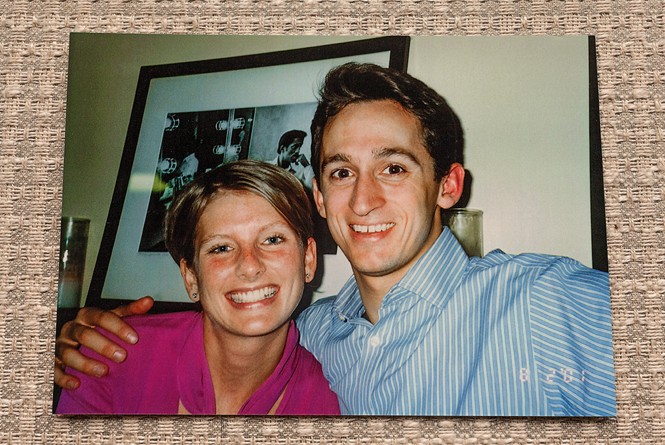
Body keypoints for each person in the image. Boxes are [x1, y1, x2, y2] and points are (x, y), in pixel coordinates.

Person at [55, 63, 615, 417]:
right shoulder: (307, 334)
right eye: (341, 173)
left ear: (447, 185)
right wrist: (79, 334)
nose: (363, 200)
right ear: (320, 201)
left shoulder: (549, 304)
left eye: (393, 168)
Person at [56, 161, 339, 415]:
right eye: (221, 247)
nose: (249, 266)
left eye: (273, 240)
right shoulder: (111, 356)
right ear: (191, 277)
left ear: (308, 260)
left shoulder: (326, 402)